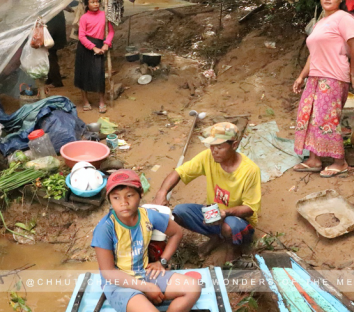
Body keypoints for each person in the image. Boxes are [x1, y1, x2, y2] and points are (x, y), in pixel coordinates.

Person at [92, 169, 201, 312]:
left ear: (140, 193)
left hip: (144, 274)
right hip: (119, 284)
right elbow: (109, 273)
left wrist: (162, 261)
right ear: (110, 200)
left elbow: (176, 233)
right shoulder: (105, 228)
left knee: (193, 288)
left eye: (129, 195)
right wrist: (146, 287)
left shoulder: (148, 216)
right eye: (116, 198)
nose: (123, 202)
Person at [153, 122, 261, 263]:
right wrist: (162, 192)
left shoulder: (250, 170)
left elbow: (250, 209)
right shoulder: (208, 157)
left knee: (229, 226)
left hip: (240, 222)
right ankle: (216, 237)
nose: (214, 151)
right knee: (179, 212)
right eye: (211, 146)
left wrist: (225, 213)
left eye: (219, 147)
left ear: (234, 145)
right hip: (214, 214)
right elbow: (179, 172)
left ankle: (234, 249)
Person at [292, 0, 354, 177]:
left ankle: (339, 162)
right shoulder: (321, 22)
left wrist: (353, 73)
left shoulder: (344, 18)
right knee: (310, 117)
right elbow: (312, 54)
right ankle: (315, 159)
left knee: (326, 119)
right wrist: (301, 76)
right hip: (315, 76)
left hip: (333, 77)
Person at [74, 0, 114, 113]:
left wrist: (106, 44)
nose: (96, 4)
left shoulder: (104, 15)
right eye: (92, 2)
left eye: (97, 1)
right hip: (85, 48)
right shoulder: (84, 18)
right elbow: (81, 36)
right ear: (87, 3)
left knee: (99, 74)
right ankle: (85, 100)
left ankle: (102, 101)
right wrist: (93, 47)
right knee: (84, 74)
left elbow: (111, 32)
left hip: (100, 45)